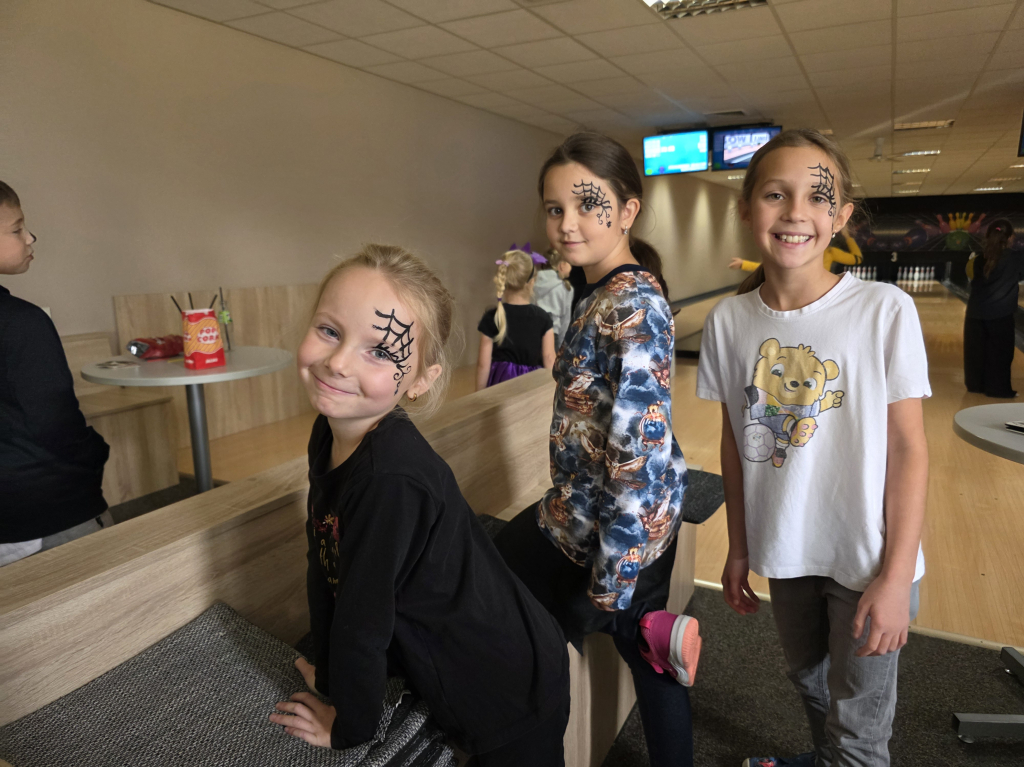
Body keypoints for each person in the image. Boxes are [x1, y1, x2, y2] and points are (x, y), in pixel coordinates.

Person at [269, 245, 570, 766]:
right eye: (330, 330)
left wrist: (348, 723)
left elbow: (364, 616)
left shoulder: (390, 480)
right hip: (482, 658)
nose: (337, 362)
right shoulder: (331, 431)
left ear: (421, 380)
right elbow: (328, 559)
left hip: (509, 688)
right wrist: (331, 670)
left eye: (379, 351)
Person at [696, 130, 930, 767]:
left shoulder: (885, 309)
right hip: (786, 548)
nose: (796, 212)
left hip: (869, 558)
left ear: (842, 216)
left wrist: (895, 575)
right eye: (776, 194)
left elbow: (909, 448)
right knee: (809, 682)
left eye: (817, 197)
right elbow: (734, 442)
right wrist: (739, 548)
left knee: (858, 733)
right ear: (747, 208)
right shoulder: (728, 322)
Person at [493, 133, 700, 767]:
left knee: (494, 586)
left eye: (588, 205)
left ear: (628, 210)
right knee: (649, 659)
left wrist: (611, 584)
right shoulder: (606, 289)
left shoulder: (630, 305)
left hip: (606, 530)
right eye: (555, 209)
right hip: (627, 525)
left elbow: (637, 452)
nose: (567, 224)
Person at [0, 180, 110, 567]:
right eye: (16, 229)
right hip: (47, 511)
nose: (30, 237)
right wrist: (96, 451)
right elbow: (56, 424)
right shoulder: (22, 323)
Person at [476, 249, 556, 390]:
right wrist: (552, 390)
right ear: (532, 282)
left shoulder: (492, 317)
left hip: (500, 382)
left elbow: (483, 364)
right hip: (531, 383)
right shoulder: (543, 318)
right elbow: (549, 358)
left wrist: (479, 394)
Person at [964, 219, 1020, 398]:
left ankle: (975, 386)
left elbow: (971, 276)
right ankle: (998, 389)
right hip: (1000, 315)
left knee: (976, 353)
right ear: (1010, 237)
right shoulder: (1016, 257)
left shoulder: (978, 259)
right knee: (1000, 354)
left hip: (975, 313)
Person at [729, 225, 863, 275]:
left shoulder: (830, 252)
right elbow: (769, 269)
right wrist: (743, 264)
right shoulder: (830, 252)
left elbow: (857, 259)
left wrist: (847, 237)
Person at [533, 246, 573, 348]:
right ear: (562, 266)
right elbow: (565, 320)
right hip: (552, 333)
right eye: (569, 263)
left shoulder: (532, 282)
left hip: (532, 331)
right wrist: (561, 345)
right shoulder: (565, 287)